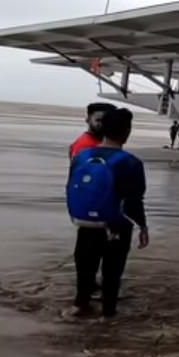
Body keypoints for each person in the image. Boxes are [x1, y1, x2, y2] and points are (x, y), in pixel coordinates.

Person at [66, 108, 149, 319]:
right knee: (112, 275)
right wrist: (143, 227)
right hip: (117, 226)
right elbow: (134, 201)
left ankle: (79, 308)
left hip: (85, 224)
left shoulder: (81, 157)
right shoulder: (131, 162)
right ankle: (107, 318)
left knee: (85, 272)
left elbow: (71, 187)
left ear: (102, 129)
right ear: (127, 131)